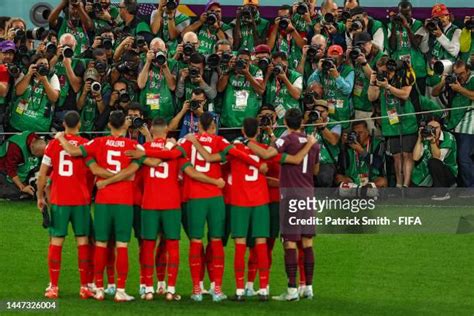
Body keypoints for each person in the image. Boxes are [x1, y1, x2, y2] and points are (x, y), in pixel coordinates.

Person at [96, 116, 225, 301]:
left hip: (148, 203)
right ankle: (170, 289)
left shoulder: (142, 149)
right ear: (166, 131)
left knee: (148, 245)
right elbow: (187, 171)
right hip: (172, 203)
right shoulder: (175, 150)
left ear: (152, 130)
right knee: (172, 246)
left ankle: (148, 288)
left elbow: (136, 167)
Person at [178, 112, 267, 302]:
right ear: (212, 126)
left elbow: (174, 157)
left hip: (194, 196)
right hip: (215, 197)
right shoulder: (219, 140)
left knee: (195, 241)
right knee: (216, 240)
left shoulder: (187, 142)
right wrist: (257, 164)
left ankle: (196, 289)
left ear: (199, 126)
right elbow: (236, 153)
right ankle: (217, 289)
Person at [56, 110, 143, 302]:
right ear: (125, 125)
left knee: (101, 244)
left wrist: (61, 138)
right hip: (124, 201)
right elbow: (139, 166)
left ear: (109, 125)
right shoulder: (133, 146)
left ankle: (99, 289)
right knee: (122, 245)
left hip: (103, 201)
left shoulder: (98, 143)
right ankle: (120, 290)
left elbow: (72, 152)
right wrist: (121, 177)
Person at [36, 111, 114, 299]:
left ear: (64, 124)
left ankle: (53, 287)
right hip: (81, 201)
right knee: (83, 242)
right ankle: (84, 286)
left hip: (59, 201)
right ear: (79, 125)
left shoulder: (53, 145)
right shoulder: (85, 146)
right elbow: (93, 172)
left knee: (56, 242)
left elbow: (42, 174)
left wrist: (40, 197)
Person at [246, 108, 319, 301]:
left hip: (291, 196)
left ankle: (292, 290)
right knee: (307, 242)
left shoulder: (286, 140)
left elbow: (267, 153)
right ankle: (308, 288)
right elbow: (316, 169)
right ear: (301, 122)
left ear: (286, 122)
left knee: (290, 242)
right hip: (309, 195)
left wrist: (249, 143)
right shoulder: (314, 144)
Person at [368, 56, 417, 188]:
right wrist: (373, 83)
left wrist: (388, 86)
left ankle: (406, 185)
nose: (385, 74)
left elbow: (405, 94)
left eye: (386, 71)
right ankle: (399, 185)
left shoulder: (403, 76)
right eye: (381, 71)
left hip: (407, 121)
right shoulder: (380, 80)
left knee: (407, 154)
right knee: (396, 156)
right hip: (391, 123)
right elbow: (372, 97)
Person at [432, 60, 474, 188]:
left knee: (464, 159)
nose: (459, 76)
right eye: (456, 73)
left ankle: (470, 188)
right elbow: (434, 93)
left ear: (468, 71)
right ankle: (461, 186)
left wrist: (460, 89)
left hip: (468, 127)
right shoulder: (452, 80)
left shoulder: (472, 79)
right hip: (453, 125)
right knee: (456, 159)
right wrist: (443, 81)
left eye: (461, 74)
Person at [218, 48, 264, 137]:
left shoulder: (256, 71)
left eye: (246, 60)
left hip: (247, 123)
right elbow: (220, 89)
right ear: (236, 59)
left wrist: (247, 74)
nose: (243, 62)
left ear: (250, 61)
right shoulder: (230, 69)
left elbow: (260, 90)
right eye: (240, 60)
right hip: (228, 121)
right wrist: (228, 70)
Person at [307, 44, 354, 129]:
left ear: (342, 58)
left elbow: (347, 90)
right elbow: (310, 84)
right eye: (331, 57)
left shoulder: (348, 70)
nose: (333, 60)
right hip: (326, 113)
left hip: (342, 113)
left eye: (336, 57)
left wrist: (337, 76)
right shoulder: (322, 70)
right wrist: (318, 70)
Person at [9, 54, 60, 132]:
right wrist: (29, 74)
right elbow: (18, 92)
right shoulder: (25, 74)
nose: (43, 66)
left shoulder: (52, 77)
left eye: (46, 64)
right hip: (19, 123)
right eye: (41, 64)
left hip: (40, 126)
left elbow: (54, 98)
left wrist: (44, 80)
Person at [388, 1, 428, 95]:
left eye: (407, 14)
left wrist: (407, 26)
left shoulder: (419, 25)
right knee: (401, 98)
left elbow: (416, 45)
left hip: (417, 70)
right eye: (402, 14)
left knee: (419, 100)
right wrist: (393, 26)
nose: (404, 16)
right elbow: (392, 47)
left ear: (411, 12)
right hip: (399, 69)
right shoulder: (392, 26)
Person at [412, 117, 457, 200]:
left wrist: (433, 142)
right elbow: (415, 157)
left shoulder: (448, 138)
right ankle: (434, 190)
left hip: (447, 173)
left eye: (436, 128)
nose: (433, 130)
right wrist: (419, 139)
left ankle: (442, 193)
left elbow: (437, 158)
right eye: (430, 127)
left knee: (433, 162)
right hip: (428, 175)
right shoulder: (425, 136)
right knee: (413, 194)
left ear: (441, 128)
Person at [348, 31, 385, 133]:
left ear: (371, 43)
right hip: (357, 105)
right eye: (359, 45)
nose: (362, 48)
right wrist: (348, 59)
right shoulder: (355, 55)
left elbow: (378, 80)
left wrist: (364, 63)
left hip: (371, 108)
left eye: (364, 44)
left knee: (373, 139)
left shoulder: (381, 57)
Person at [335, 120, 387, 188]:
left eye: (360, 132)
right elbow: (342, 167)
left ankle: (356, 190)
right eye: (355, 133)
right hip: (353, 178)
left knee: (383, 181)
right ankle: (362, 191)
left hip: (371, 178)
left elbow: (377, 164)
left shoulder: (378, 143)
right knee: (338, 178)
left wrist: (361, 151)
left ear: (367, 132)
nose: (358, 135)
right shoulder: (348, 145)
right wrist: (343, 146)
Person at [303, 96, 341, 187]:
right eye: (316, 111)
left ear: (327, 112)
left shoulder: (335, 124)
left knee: (324, 179)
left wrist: (321, 127)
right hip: (307, 161)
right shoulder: (308, 123)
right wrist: (304, 122)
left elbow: (333, 141)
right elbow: (294, 134)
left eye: (322, 112)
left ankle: (324, 200)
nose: (318, 114)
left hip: (326, 162)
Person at [137, 37, 177, 122]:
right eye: (153, 51)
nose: (156, 53)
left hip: (166, 109)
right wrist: (148, 62)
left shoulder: (172, 63)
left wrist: (165, 67)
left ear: (165, 50)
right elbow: (141, 84)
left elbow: (172, 87)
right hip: (148, 109)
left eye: (159, 50)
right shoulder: (144, 61)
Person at [264, 51, 303, 137]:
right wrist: (267, 74)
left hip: (290, 122)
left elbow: (297, 95)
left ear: (287, 63)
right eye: (274, 64)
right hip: (273, 121)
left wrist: (285, 79)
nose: (277, 67)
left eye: (279, 64)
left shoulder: (296, 76)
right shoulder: (270, 76)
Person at [0, 131, 46, 200]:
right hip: (3, 167)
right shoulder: (15, 148)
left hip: (20, 168)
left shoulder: (36, 139)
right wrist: (22, 187)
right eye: (37, 155)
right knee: (15, 193)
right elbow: (10, 169)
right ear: (32, 148)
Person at [266, 5, 305, 69]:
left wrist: (293, 30)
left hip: (294, 62)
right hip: (277, 63)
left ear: (291, 16)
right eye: (280, 17)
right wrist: (275, 28)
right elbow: (269, 47)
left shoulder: (298, 27)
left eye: (286, 17)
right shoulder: (274, 27)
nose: (283, 19)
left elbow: (302, 46)